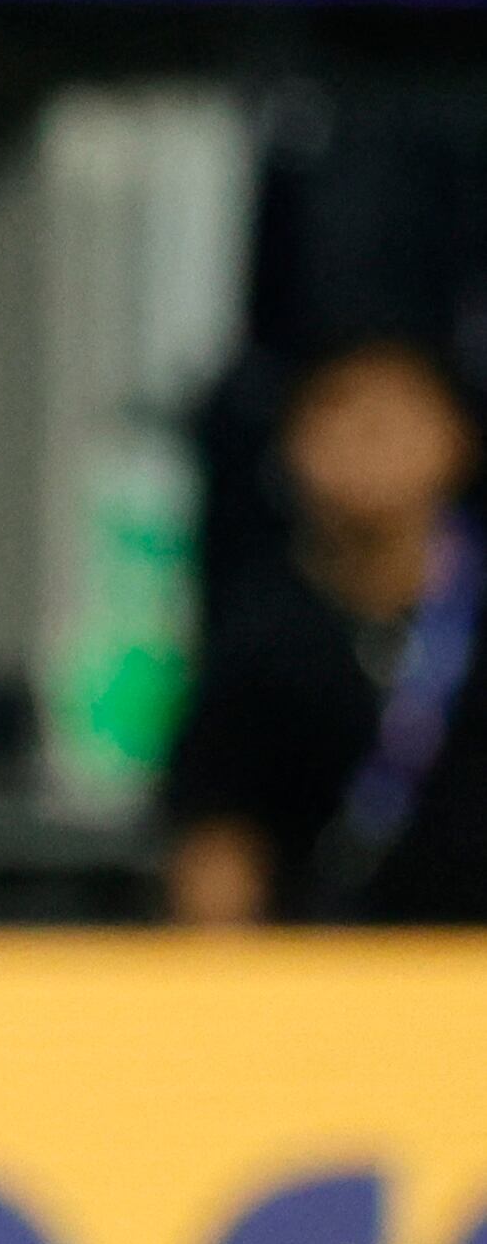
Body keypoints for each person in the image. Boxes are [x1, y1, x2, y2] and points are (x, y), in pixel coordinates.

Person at [166, 339, 487, 924]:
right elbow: (218, 842)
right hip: (318, 977)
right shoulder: (262, 636)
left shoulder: (468, 617)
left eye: (384, 422)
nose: (356, 444)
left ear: (454, 436)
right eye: (327, 415)